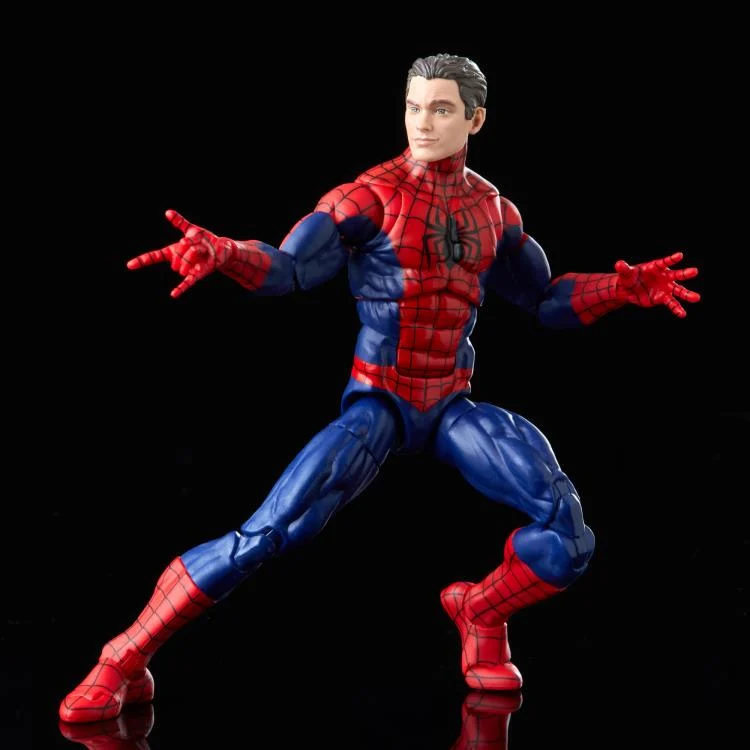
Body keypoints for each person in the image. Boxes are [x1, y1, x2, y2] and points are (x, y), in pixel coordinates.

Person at [59, 53, 699, 723]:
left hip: (450, 403)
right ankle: (122, 656)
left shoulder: (494, 211)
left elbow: (543, 299)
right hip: (380, 400)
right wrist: (225, 254)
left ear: (476, 119)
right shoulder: (369, 197)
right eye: (413, 106)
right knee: (272, 530)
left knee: (568, 534)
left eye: (441, 109)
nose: (423, 122)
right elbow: (289, 269)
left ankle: (480, 610)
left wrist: (620, 289)